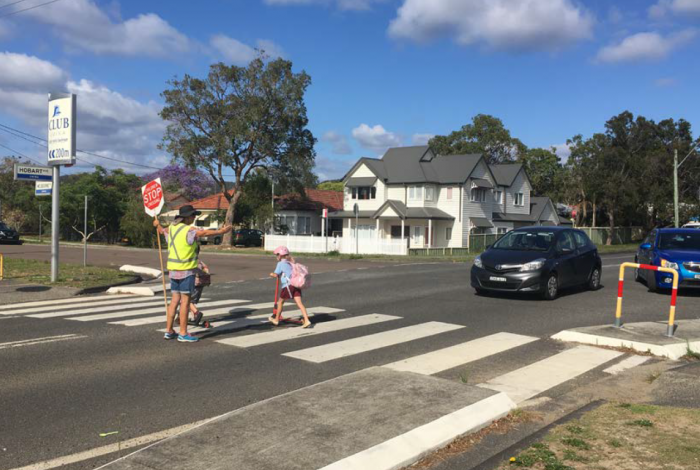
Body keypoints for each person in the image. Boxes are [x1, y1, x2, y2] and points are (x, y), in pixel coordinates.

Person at [154, 204, 232, 343]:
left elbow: (161, 230)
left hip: (173, 270)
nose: (194, 217)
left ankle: (169, 330)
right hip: (186, 270)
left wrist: (157, 224)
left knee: (174, 301)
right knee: (185, 302)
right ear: (187, 217)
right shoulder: (189, 230)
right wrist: (222, 231)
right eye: (193, 215)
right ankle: (183, 333)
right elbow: (204, 233)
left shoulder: (171, 228)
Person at [269, 246, 312, 329]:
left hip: (287, 286)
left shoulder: (280, 263)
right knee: (299, 303)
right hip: (295, 285)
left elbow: (276, 274)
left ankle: (276, 319)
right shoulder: (291, 262)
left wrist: (271, 274)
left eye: (277, 255)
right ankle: (306, 320)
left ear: (280, 255)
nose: (276, 257)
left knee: (280, 302)